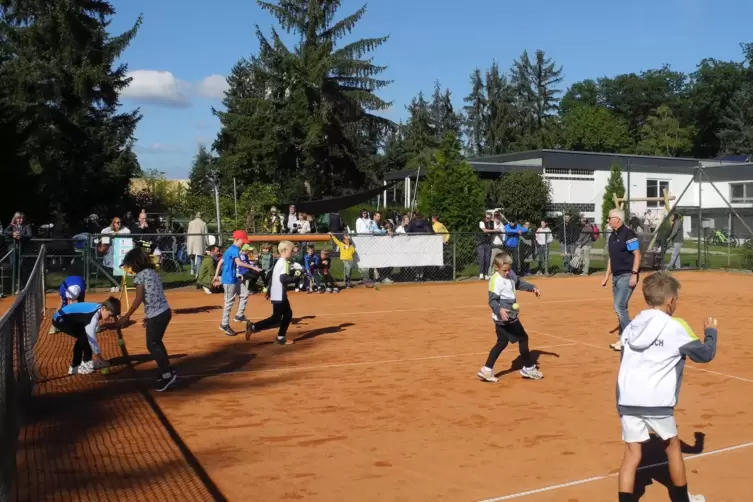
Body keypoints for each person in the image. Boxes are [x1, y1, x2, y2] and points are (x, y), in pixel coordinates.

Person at [616, 272, 716, 502]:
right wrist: (711, 332)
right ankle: (682, 499)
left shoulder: (632, 326)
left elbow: (625, 362)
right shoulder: (675, 327)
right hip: (656, 401)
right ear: (670, 301)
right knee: (672, 447)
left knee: (632, 454)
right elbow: (705, 354)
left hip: (627, 398)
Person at [476, 253, 544, 383]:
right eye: (504, 270)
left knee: (502, 342)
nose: (507, 272)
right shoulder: (495, 281)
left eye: (509, 269)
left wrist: (532, 288)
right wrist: (499, 309)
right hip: (505, 316)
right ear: (496, 268)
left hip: (506, 316)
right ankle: (528, 368)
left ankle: (487, 369)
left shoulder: (511, 274)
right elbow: (492, 301)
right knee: (523, 338)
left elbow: (517, 284)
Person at [118, 247, 177, 392]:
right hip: (163, 312)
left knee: (152, 344)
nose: (130, 268)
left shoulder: (140, 276)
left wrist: (127, 315)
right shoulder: (152, 272)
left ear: (136, 263)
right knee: (156, 342)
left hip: (157, 314)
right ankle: (167, 370)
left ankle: (167, 375)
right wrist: (148, 315)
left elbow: (139, 298)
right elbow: (154, 294)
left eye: (130, 265)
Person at [245, 241, 301, 345]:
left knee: (287, 314)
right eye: (291, 250)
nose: (292, 252)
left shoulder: (280, 261)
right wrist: (296, 276)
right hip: (279, 294)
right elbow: (283, 279)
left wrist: (270, 291)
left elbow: (273, 278)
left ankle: (280, 337)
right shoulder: (283, 262)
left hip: (277, 293)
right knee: (276, 318)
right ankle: (254, 327)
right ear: (284, 251)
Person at [602, 209, 642, 351]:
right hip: (616, 276)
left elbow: (637, 254)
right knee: (620, 308)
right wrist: (607, 276)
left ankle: (628, 337)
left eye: (609, 218)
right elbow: (611, 258)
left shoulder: (628, 234)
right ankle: (623, 338)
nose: (608, 220)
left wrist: (634, 274)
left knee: (619, 306)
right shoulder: (612, 236)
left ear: (618, 219)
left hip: (627, 275)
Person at [52, 297, 119, 375]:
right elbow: (92, 340)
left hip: (70, 318)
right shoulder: (93, 316)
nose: (111, 318)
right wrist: (101, 359)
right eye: (110, 315)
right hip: (60, 319)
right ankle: (75, 367)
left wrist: (99, 328)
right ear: (104, 308)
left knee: (85, 335)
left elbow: (87, 320)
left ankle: (87, 362)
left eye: (113, 316)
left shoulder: (99, 308)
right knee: (83, 337)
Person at [213, 230, 258, 336]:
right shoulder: (234, 250)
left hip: (233, 278)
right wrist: (252, 267)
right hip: (229, 280)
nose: (244, 243)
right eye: (243, 241)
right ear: (237, 239)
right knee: (229, 302)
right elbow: (238, 263)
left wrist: (216, 275)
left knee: (244, 293)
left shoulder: (231, 249)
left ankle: (239, 315)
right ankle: (224, 324)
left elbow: (220, 262)